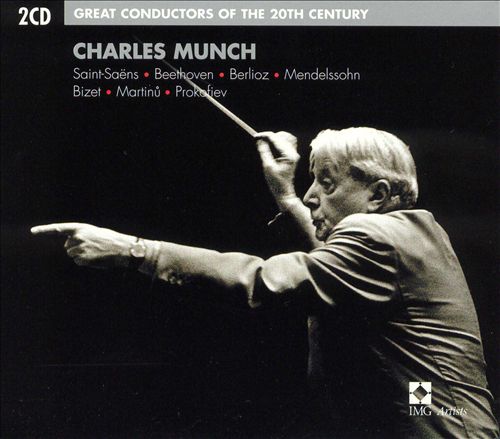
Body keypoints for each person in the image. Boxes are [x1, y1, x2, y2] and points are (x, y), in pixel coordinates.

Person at [32, 127, 498, 438]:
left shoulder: (377, 237)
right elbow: (330, 264)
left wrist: (134, 250)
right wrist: (285, 195)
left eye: (327, 183)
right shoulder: (406, 237)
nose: (312, 197)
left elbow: (267, 282)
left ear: (377, 195)